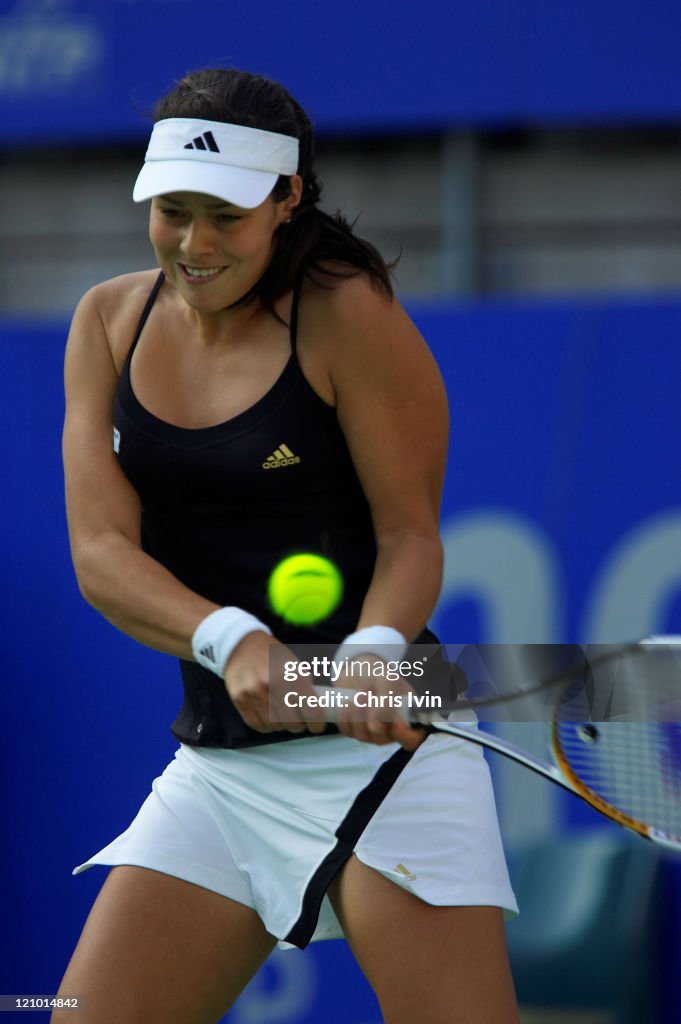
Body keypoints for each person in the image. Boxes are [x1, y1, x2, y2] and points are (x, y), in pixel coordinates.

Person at [55, 68, 519, 1024]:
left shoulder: (347, 312)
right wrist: (230, 639)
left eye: (223, 216)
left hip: (388, 756)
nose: (194, 243)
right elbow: (101, 554)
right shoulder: (105, 321)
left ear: (286, 199)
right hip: (221, 765)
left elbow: (409, 535)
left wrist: (381, 651)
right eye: (172, 212)